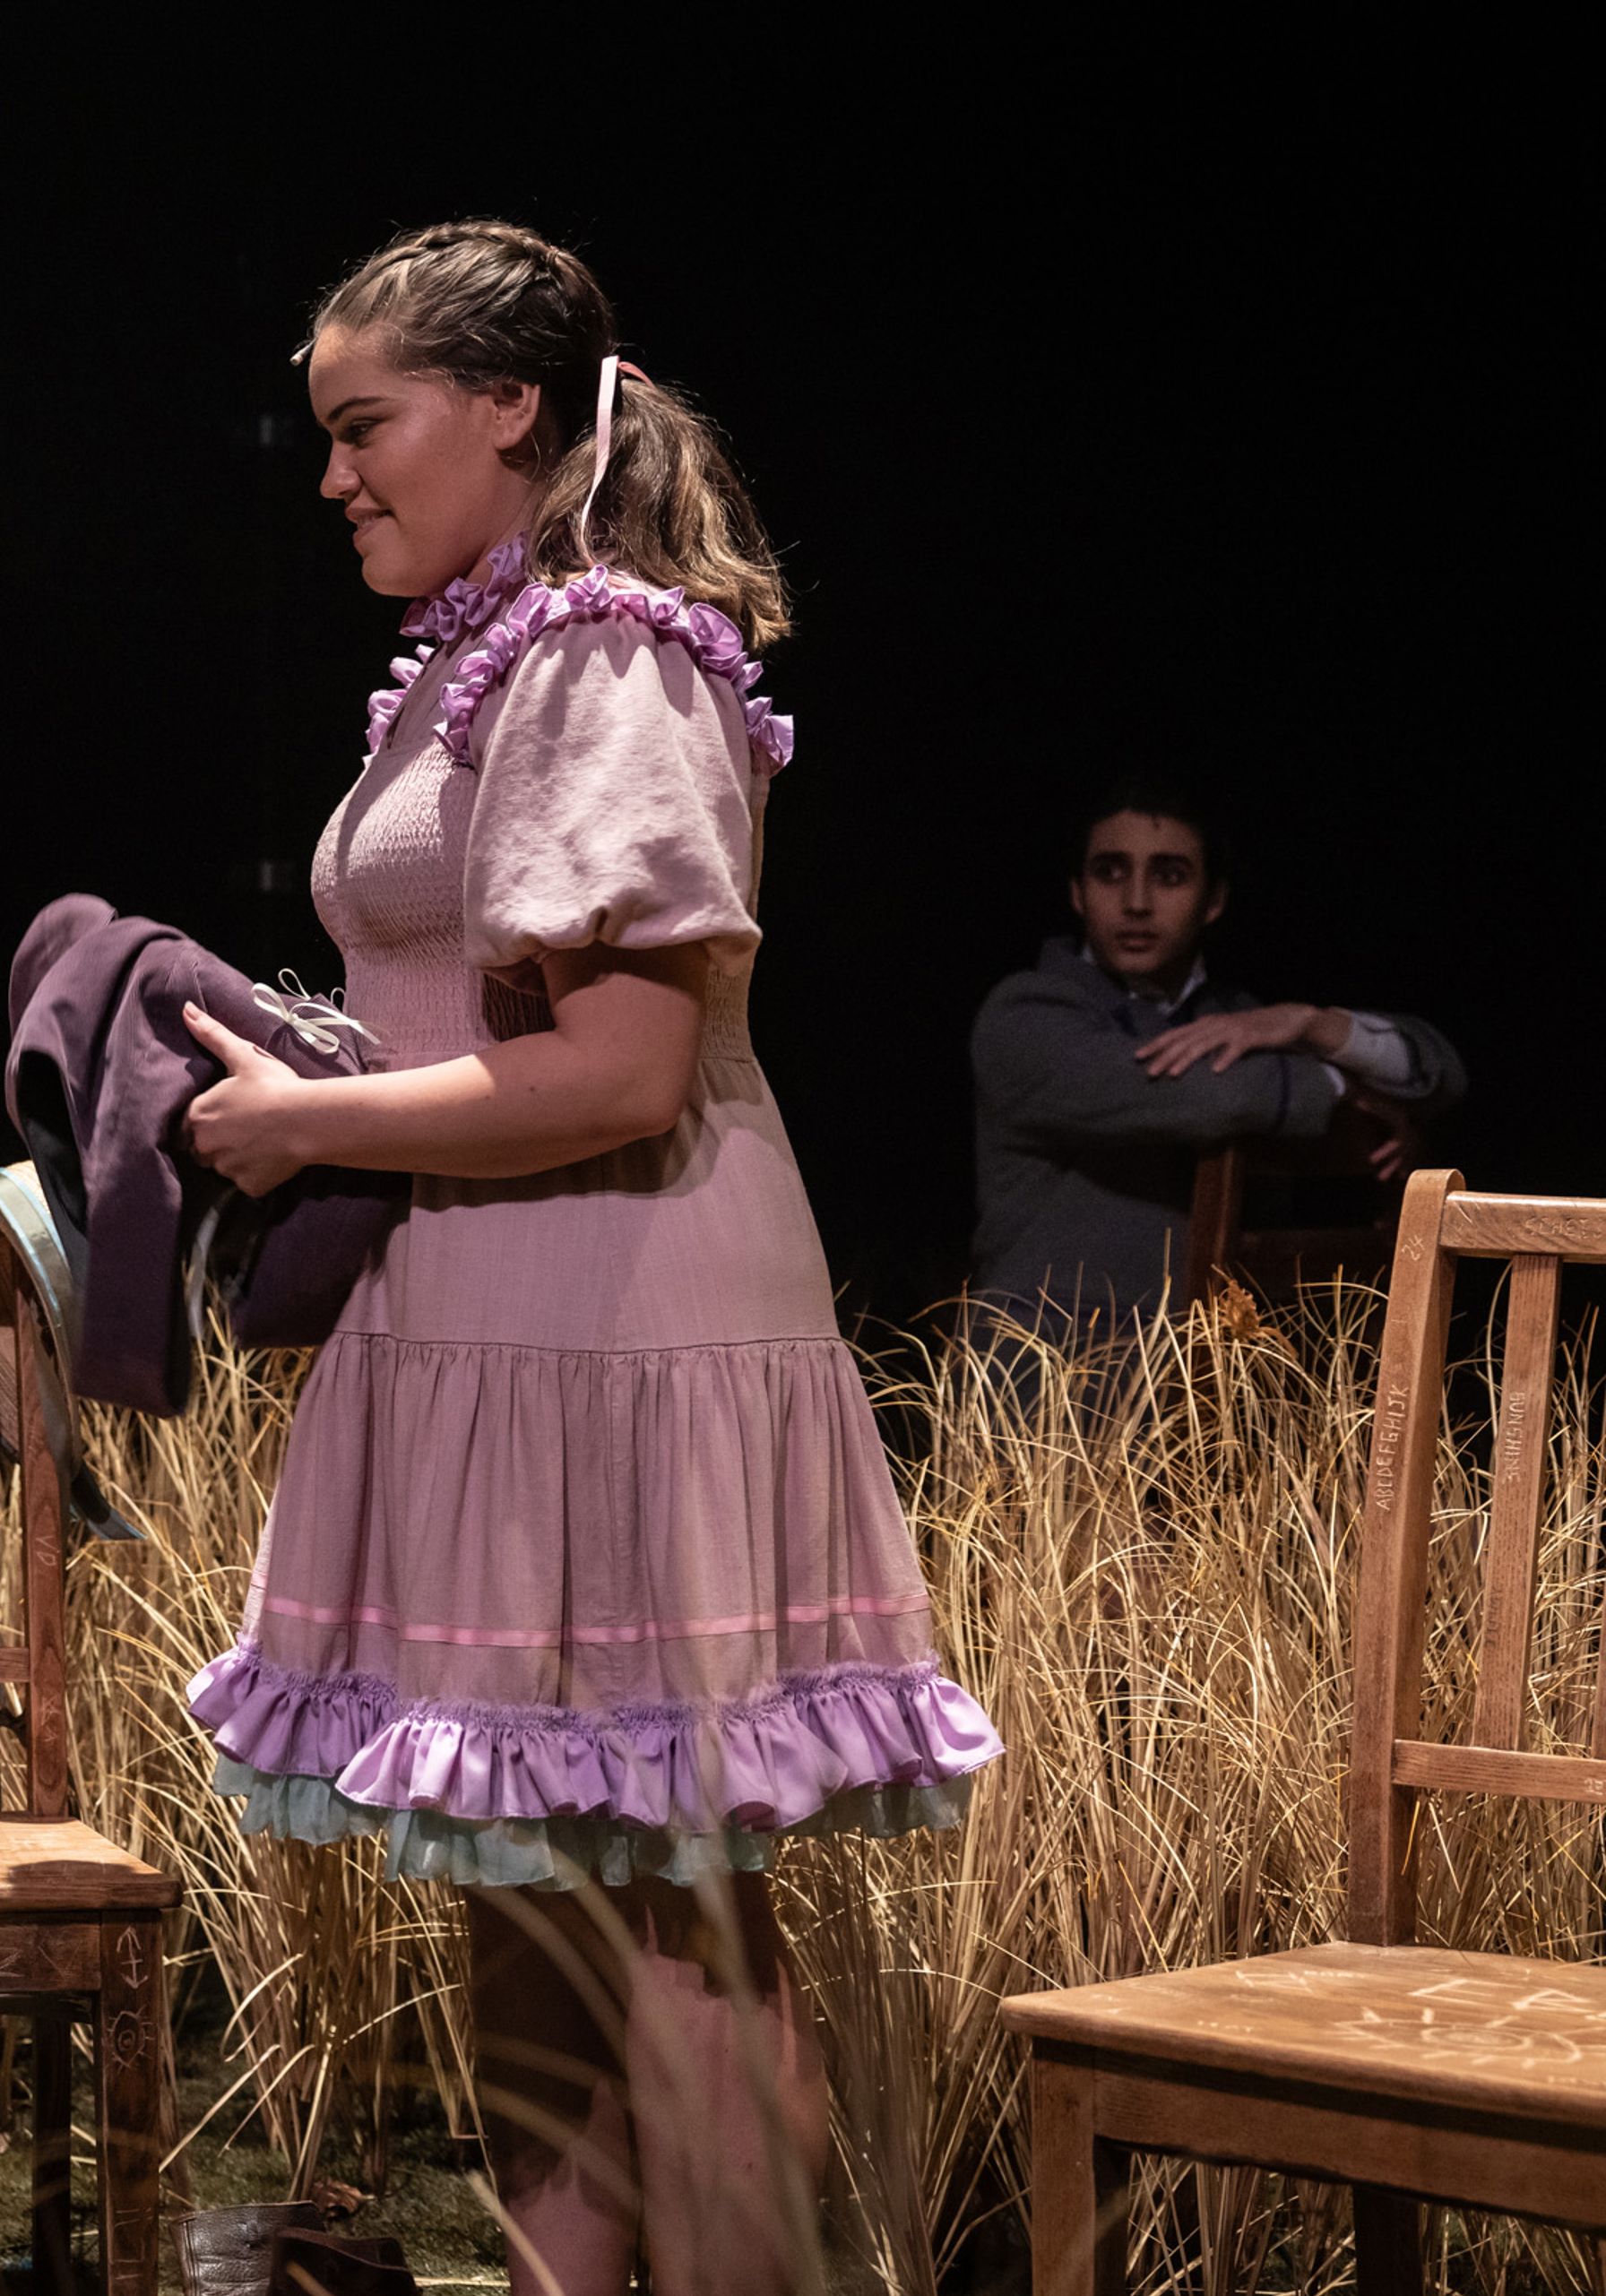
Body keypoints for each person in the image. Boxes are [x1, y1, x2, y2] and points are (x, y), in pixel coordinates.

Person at [173, 221, 999, 2296]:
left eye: (365, 428)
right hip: (485, 1314)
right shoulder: (500, 648)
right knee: (529, 1898)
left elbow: (624, 1067)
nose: (335, 475)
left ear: (509, 407)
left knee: (673, 1919)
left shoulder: (608, 652)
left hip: (620, 1311)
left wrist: (306, 1123)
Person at [967, 781, 1465, 1325]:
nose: (1136, 902)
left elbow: (1438, 1071)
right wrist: (1350, 1087)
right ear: (1077, 892)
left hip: (1215, 1365)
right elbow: (1216, 1093)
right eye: (1110, 872)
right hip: (1054, 1370)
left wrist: (1314, 1024)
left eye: (1169, 876)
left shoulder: (1241, 1021)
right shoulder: (1027, 1014)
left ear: (1214, 900)